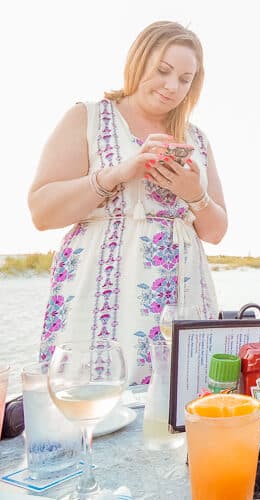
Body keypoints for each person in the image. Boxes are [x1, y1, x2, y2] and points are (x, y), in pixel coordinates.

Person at [28, 21, 226, 385]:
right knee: (87, 403)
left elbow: (215, 232)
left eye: (185, 79)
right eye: (163, 71)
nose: (172, 86)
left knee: (176, 408)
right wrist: (119, 173)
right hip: (96, 289)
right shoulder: (87, 117)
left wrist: (193, 193)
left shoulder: (197, 138)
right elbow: (41, 212)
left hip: (181, 294)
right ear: (138, 61)